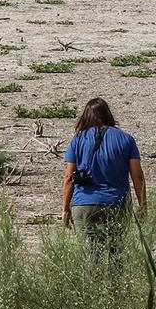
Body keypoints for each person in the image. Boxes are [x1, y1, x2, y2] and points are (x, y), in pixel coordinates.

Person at [60, 97, 145, 254]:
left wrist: (65, 209)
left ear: (85, 116)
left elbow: (68, 178)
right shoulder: (126, 139)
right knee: (115, 255)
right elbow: (137, 175)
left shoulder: (78, 139)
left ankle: (92, 279)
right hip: (116, 204)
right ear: (108, 115)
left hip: (83, 204)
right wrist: (143, 204)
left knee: (89, 256)